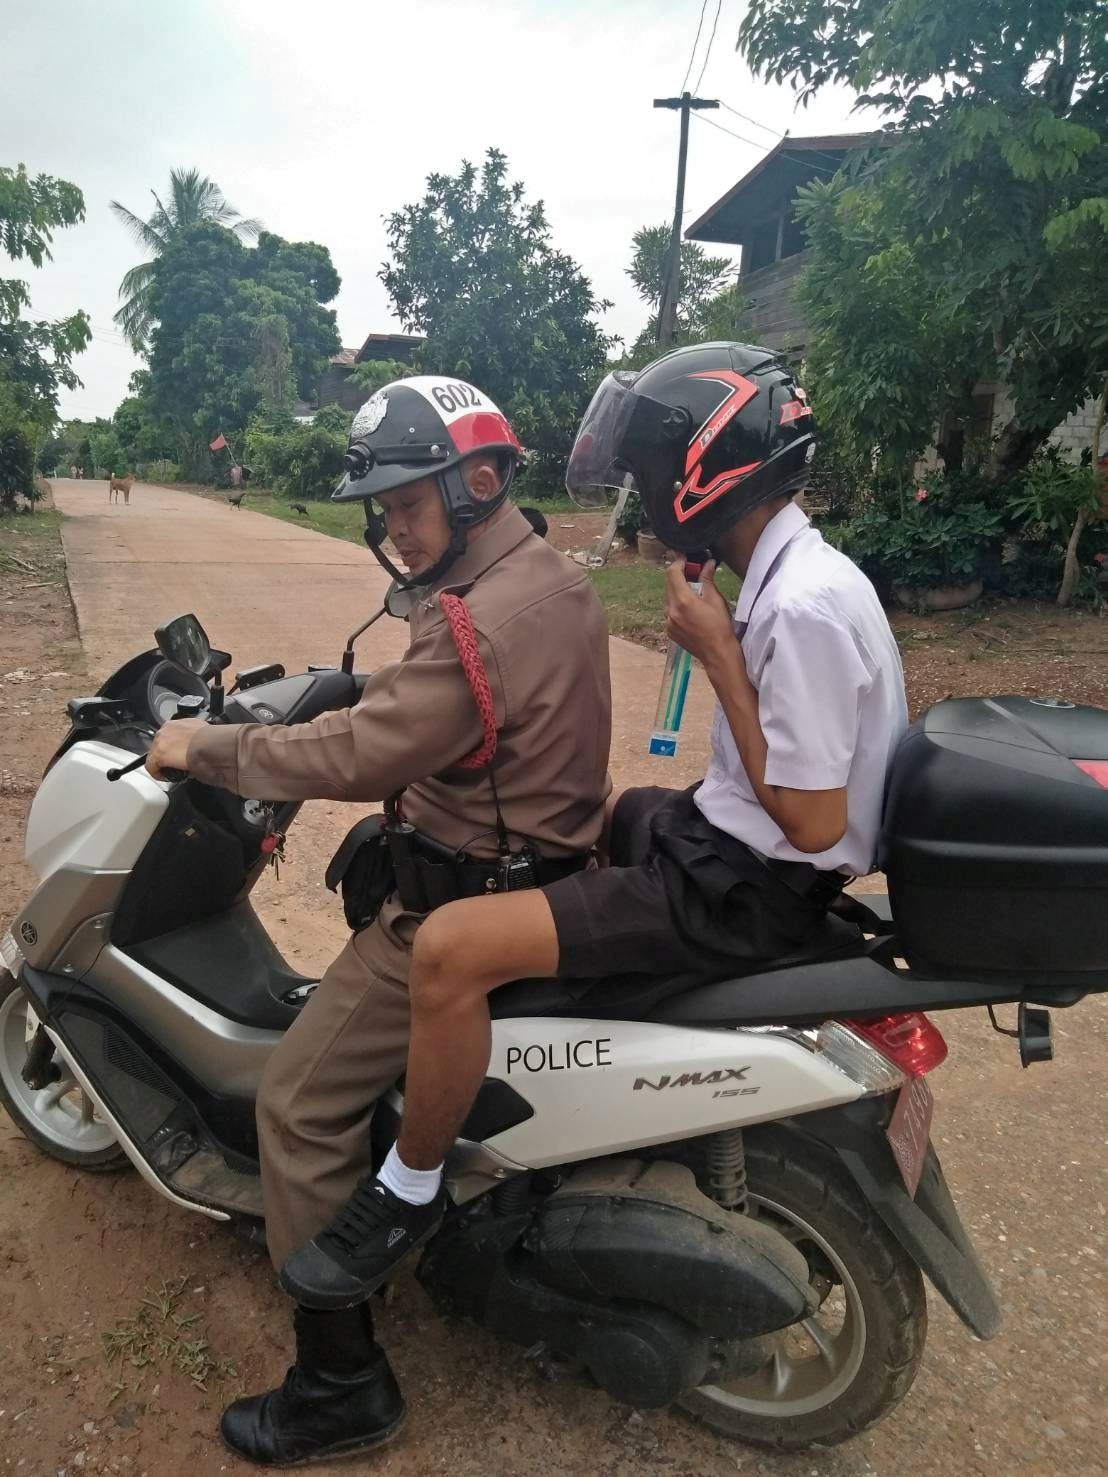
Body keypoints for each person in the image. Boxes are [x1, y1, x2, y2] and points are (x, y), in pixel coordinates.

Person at [280, 342, 909, 1319]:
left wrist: (716, 660)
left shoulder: (802, 606)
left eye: (649, 473)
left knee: (448, 948)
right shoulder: (799, 575)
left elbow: (811, 815)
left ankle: (406, 1187)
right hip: (730, 849)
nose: (642, 495)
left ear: (704, 469)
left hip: (743, 885)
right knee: (609, 814)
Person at [144, 375, 612, 1466]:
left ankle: (339, 1383)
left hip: (456, 911)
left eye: (409, 503)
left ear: (477, 482)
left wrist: (202, 746)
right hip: (534, 869)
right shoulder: (549, 578)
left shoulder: (473, 626)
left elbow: (355, 758)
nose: (393, 528)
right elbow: (422, 714)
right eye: (384, 509)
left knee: (297, 1106)